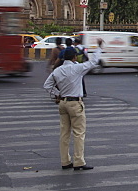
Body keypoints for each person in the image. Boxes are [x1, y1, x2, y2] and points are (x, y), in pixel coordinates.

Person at [43, 40, 102, 171]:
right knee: (79, 133)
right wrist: (98, 48)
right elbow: (93, 62)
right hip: (75, 103)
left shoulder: (58, 71)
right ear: (74, 57)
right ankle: (79, 161)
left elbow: (47, 86)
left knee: (64, 134)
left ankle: (65, 161)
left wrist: (58, 94)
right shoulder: (77, 68)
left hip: (63, 103)